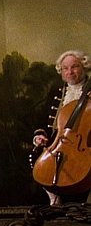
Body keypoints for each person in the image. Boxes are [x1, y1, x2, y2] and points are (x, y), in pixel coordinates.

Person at [30, 50, 91, 205]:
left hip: (85, 143)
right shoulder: (57, 91)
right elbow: (43, 118)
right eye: (65, 68)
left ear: (84, 67)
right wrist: (40, 135)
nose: (70, 72)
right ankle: (53, 197)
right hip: (59, 142)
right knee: (37, 159)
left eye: (74, 67)